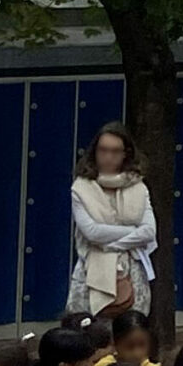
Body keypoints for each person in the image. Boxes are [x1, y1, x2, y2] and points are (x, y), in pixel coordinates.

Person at [68, 122, 158, 321]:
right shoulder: (81, 188)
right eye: (103, 150)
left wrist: (113, 245)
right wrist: (133, 230)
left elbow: (149, 232)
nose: (109, 157)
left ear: (126, 153)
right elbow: (92, 232)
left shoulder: (138, 187)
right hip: (90, 272)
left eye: (116, 151)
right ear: (95, 152)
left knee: (131, 332)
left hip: (132, 273)